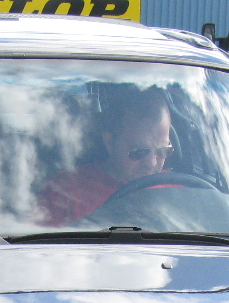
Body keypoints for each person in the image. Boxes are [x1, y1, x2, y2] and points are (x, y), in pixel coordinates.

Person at [37, 86, 175, 226]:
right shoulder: (64, 193)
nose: (151, 163)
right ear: (109, 142)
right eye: (138, 151)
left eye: (163, 150)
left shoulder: (178, 190)